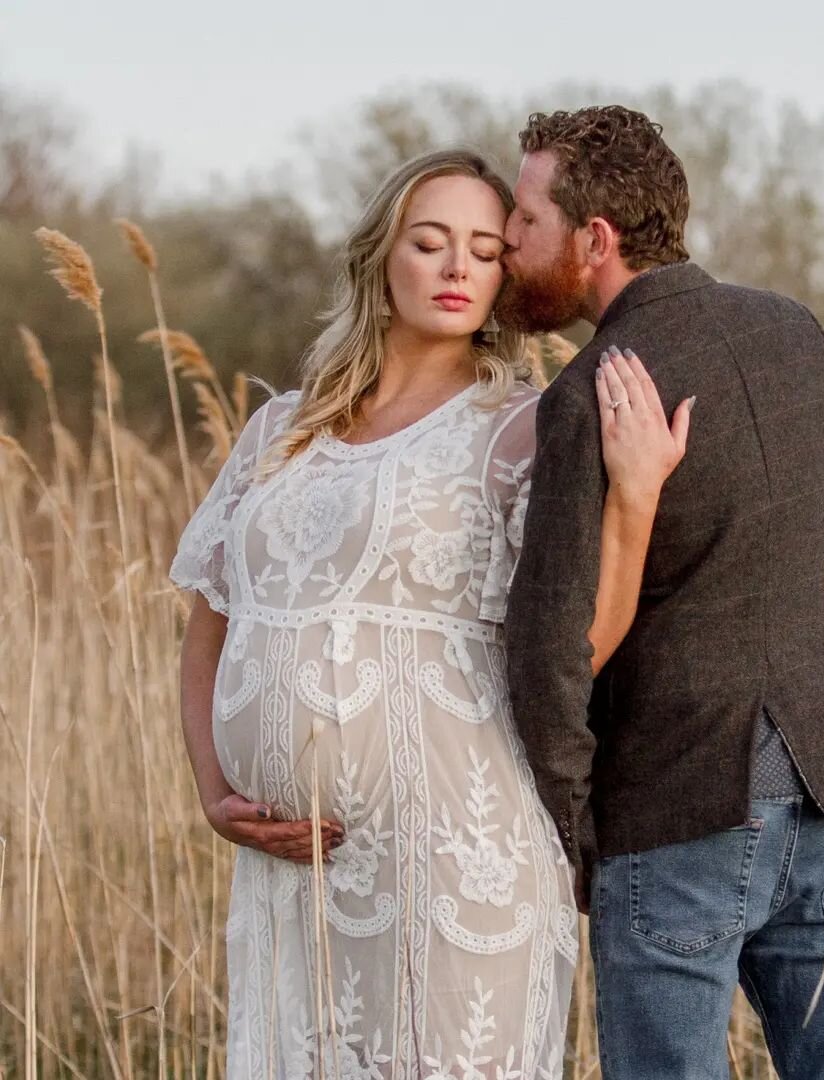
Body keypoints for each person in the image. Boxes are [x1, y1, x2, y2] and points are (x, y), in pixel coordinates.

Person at [169, 148, 690, 1079]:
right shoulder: (279, 431)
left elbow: (580, 641)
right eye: (430, 241)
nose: (457, 268)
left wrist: (639, 500)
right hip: (295, 873)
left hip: (454, 860)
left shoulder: (525, 427)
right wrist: (215, 791)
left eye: (487, 249)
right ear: (381, 257)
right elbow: (211, 618)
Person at [500, 106, 824, 1080]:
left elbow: (551, 653)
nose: (507, 246)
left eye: (523, 221)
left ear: (592, 240)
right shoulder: (794, 332)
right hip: (823, 796)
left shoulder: (586, 391)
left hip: (675, 814)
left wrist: (577, 831)